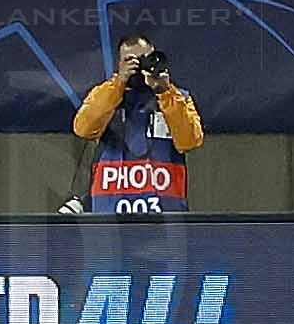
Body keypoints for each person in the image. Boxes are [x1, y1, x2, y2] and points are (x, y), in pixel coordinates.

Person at [70, 34, 204, 216]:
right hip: (110, 213)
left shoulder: (177, 97)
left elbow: (190, 141)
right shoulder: (106, 95)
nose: (138, 67)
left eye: (143, 60)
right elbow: (83, 128)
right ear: (119, 64)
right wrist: (119, 83)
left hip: (164, 214)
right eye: (129, 61)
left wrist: (164, 92)